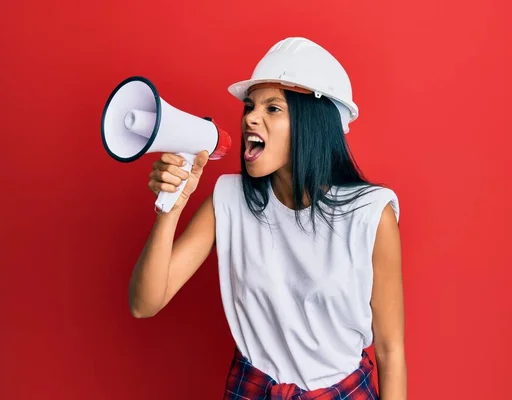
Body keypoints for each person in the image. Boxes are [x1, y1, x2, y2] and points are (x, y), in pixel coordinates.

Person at [128, 37, 407, 399]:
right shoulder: (228, 200)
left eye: (273, 108)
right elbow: (144, 303)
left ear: (313, 125)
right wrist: (171, 208)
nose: (250, 118)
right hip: (254, 391)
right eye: (249, 106)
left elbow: (390, 350)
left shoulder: (370, 214)